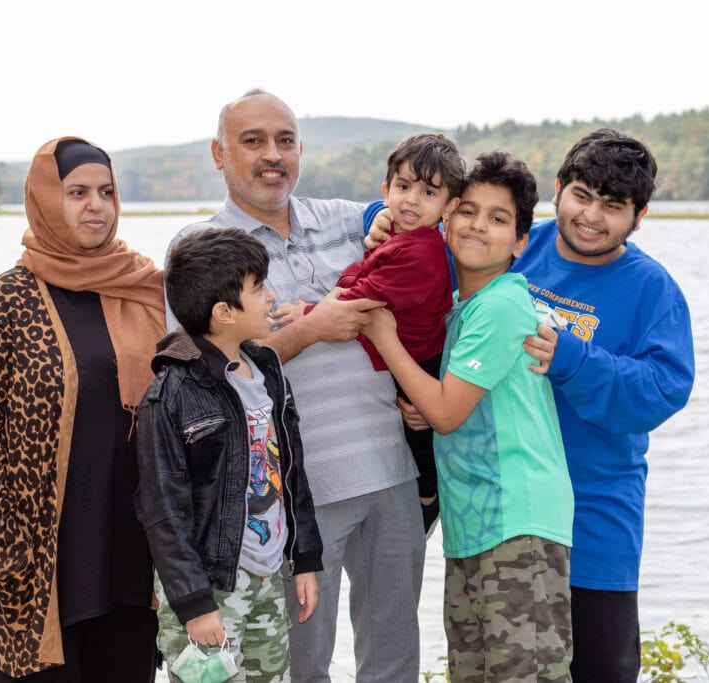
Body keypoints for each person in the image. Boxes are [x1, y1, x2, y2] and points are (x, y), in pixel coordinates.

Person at [368, 129, 696, 682]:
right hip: (490, 508)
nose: (591, 216)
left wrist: (574, 357)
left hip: (593, 517)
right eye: (582, 196)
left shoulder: (650, 288)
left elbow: (663, 390)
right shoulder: (512, 244)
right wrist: (375, 218)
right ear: (559, 190)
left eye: (613, 207)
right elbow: (432, 234)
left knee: (597, 670)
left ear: (638, 217)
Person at [165, 88, 427, 683]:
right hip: (297, 494)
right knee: (304, 665)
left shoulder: (346, 218)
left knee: (395, 660)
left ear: (301, 149)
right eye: (252, 141)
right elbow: (200, 373)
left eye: (284, 140)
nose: (271, 155)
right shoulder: (201, 252)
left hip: (391, 470)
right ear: (219, 152)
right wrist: (310, 330)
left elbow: (426, 218)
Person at [0, 137, 166, 681]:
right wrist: (0, 539)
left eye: (107, 192)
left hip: (134, 553)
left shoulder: (145, 289)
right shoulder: (7, 301)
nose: (96, 206)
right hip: (37, 555)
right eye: (77, 192)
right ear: (47, 198)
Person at [362, 150, 575, 683]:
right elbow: (446, 407)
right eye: (468, 210)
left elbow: (448, 413)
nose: (478, 225)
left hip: (517, 522)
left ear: (521, 242)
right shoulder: (464, 305)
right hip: (474, 527)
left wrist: (383, 336)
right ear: (448, 215)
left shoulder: (502, 305)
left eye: (498, 219)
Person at [134, 227, 322, 681]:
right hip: (210, 589)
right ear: (223, 313)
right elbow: (162, 510)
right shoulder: (172, 394)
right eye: (258, 288)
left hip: (269, 576)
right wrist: (194, 604)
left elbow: (291, 472)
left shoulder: (267, 370)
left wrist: (306, 559)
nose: (271, 296)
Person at [276, 132, 464, 535]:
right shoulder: (400, 233)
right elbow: (365, 270)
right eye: (403, 187)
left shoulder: (423, 253)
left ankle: (429, 496)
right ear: (386, 190)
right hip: (406, 347)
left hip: (418, 356)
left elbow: (365, 294)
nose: (412, 200)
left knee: (417, 426)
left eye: (428, 192)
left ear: (449, 207)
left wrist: (308, 310)